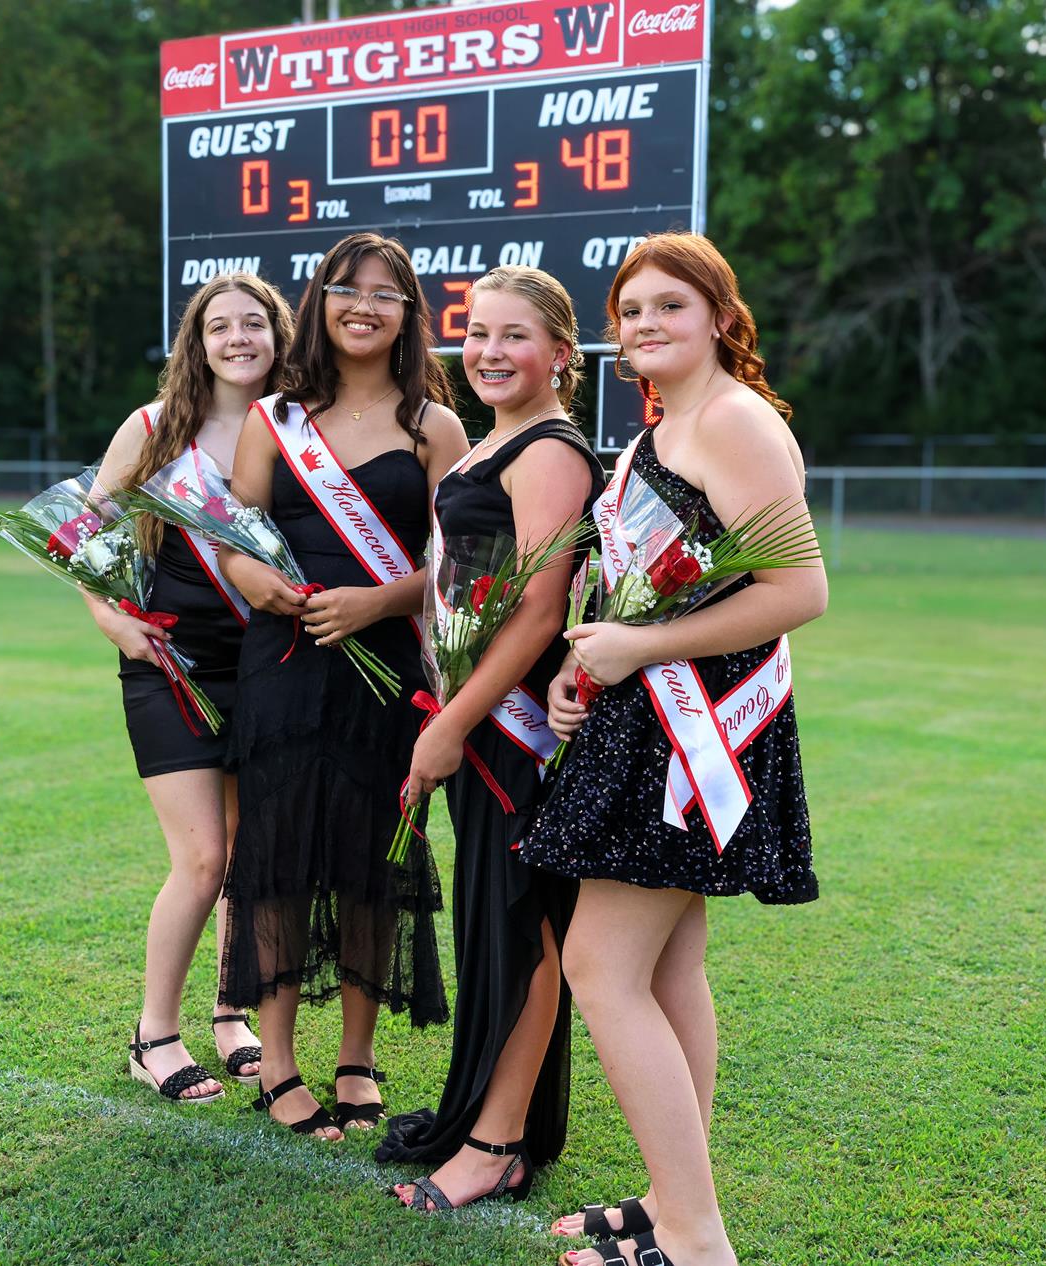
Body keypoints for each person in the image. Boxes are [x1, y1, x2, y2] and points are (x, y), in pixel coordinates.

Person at [519, 233, 827, 1266]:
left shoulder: (735, 423)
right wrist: (585, 665)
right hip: (643, 716)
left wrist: (637, 646)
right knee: (666, 967)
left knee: (602, 968)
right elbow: (643, 580)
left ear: (721, 322)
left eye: (669, 308)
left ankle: (695, 1241)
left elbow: (798, 592)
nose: (644, 325)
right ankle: (666, 1199)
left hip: (697, 730)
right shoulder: (665, 425)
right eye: (631, 310)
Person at [217, 232, 467, 1141]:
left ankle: (356, 1058)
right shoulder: (274, 417)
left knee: (375, 859)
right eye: (346, 289)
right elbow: (230, 532)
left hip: (387, 668)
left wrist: (377, 603)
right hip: (284, 662)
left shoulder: (434, 427)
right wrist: (257, 585)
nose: (364, 305)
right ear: (320, 301)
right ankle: (276, 1064)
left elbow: (458, 567)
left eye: (385, 293)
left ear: (408, 314)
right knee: (280, 859)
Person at [376, 267, 604, 1209]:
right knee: (493, 923)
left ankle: (501, 1143)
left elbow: (541, 606)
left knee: (524, 928)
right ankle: (482, 1113)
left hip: (512, 735)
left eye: (516, 337)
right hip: (473, 719)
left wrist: (455, 724)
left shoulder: (550, 450)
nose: (490, 353)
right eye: (477, 334)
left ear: (561, 354)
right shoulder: (486, 446)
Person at [87, 272, 293, 1104]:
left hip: (266, 662)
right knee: (203, 857)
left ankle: (230, 1014)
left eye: (255, 324)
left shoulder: (294, 428)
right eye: (220, 327)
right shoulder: (152, 428)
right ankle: (153, 1035)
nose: (238, 338)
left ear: (279, 336)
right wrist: (109, 619)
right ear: (196, 342)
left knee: (250, 854)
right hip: (169, 661)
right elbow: (82, 532)